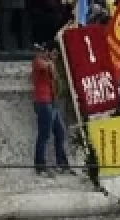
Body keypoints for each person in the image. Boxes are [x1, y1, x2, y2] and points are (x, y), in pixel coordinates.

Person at [31, 43, 72, 176]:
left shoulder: (49, 63)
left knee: (60, 132)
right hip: (43, 102)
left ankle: (62, 163)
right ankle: (40, 165)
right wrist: (51, 60)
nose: (55, 56)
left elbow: (55, 76)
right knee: (44, 134)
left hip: (51, 102)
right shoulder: (38, 61)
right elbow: (46, 67)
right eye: (53, 53)